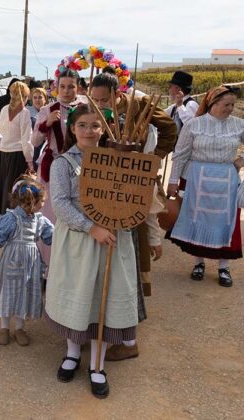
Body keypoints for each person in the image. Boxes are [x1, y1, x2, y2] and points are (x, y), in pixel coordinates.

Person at [45, 103, 138, 399]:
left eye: (95, 125)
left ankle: (97, 365)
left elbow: (136, 196)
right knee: (79, 296)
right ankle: (72, 353)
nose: (88, 130)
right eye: (82, 125)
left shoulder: (118, 161)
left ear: (104, 130)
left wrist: (115, 222)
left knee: (104, 297)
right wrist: (91, 227)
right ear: (72, 129)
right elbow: (60, 203)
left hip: (112, 238)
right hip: (78, 241)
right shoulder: (63, 163)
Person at [88, 71, 176, 361]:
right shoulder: (92, 111)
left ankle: (127, 336)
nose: (100, 105)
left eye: (105, 100)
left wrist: (152, 159)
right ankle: (107, 325)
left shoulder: (141, 105)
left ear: (118, 94)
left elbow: (169, 130)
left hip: (133, 189)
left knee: (129, 267)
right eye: (96, 100)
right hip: (105, 187)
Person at [166, 86, 244, 287]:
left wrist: (241, 160)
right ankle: (198, 263)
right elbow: (180, 154)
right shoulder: (194, 125)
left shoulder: (239, 125)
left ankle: (224, 267)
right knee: (197, 220)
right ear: (213, 103)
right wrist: (173, 180)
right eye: (226, 104)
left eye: (233, 105)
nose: (230, 108)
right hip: (196, 179)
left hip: (226, 180)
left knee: (226, 222)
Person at [0, 176, 53, 346]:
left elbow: (51, 237)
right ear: (33, 202)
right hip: (12, 262)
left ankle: (20, 328)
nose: (44, 204)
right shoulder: (11, 218)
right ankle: (4, 327)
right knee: (9, 292)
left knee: (25, 292)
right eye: (42, 201)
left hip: (31, 265)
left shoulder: (39, 220)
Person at [31, 69, 86, 269]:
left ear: (77, 87)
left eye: (71, 86)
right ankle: (48, 266)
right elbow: (34, 140)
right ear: (56, 87)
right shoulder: (47, 109)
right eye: (62, 86)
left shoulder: (85, 108)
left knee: (76, 212)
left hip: (79, 168)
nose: (66, 90)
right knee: (50, 215)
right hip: (52, 167)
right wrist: (47, 124)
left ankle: (72, 266)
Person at [0, 81, 34, 214]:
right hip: (17, 155)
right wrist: (30, 160)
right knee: (13, 190)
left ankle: (1, 217)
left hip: (2, 153)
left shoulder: (4, 109)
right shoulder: (24, 112)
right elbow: (26, 139)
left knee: (3, 188)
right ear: (25, 96)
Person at [28, 87, 48, 170]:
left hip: (46, 147)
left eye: (40, 97)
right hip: (31, 147)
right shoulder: (27, 111)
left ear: (45, 99)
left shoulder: (49, 110)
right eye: (35, 97)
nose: (37, 100)